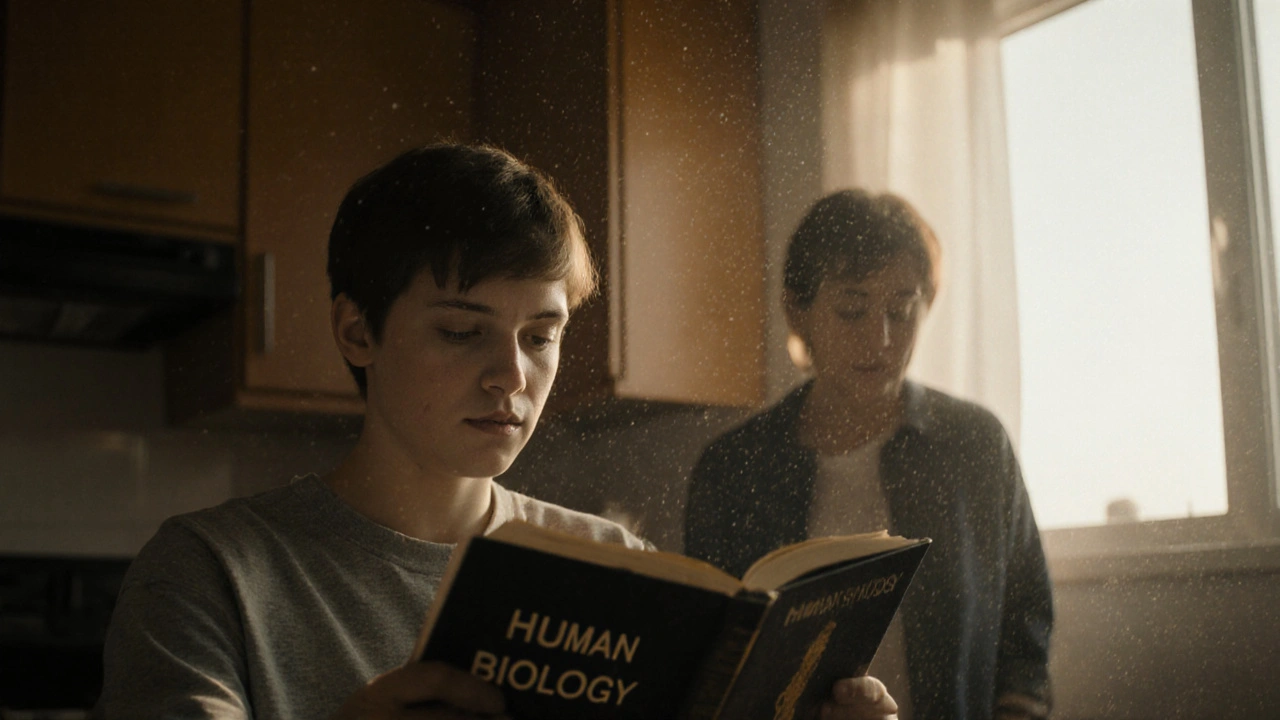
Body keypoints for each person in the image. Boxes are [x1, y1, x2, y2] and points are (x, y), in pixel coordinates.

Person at [97, 144, 902, 720]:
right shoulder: (209, 573)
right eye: (461, 331)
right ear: (356, 332)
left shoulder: (614, 570)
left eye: (541, 335)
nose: (513, 376)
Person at [685, 190, 1053, 720]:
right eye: (852, 310)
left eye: (901, 311)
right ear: (798, 310)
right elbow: (709, 660)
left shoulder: (975, 445)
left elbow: (1026, 631)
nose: (880, 339)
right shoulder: (732, 468)